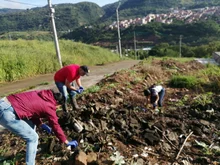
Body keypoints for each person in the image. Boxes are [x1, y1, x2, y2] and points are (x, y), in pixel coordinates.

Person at [0, 90, 78, 165]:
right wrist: (66, 141)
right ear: (57, 103)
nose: (56, 109)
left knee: (31, 124)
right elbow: (55, 125)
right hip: (7, 112)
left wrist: (40, 124)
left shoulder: (42, 94)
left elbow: (32, 110)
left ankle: (32, 150)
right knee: (33, 138)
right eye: (58, 107)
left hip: (5, 103)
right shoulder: (50, 106)